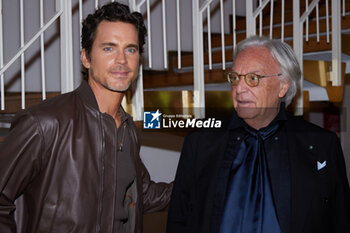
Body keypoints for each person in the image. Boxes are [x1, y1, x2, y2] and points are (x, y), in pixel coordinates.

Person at [0, 2, 172, 233]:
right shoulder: (44, 123)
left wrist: (209, 177)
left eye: (130, 49)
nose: (122, 60)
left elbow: (144, 194)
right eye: (109, 48)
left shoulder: (127, 128)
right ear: (86, 58)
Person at [166, 36, 350, 233]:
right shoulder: (200, 142)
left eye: (253, 79)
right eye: (235, 78)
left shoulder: (322, 144)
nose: (239, 89)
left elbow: (340, 221)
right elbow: (179, 219)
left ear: (283, 86)